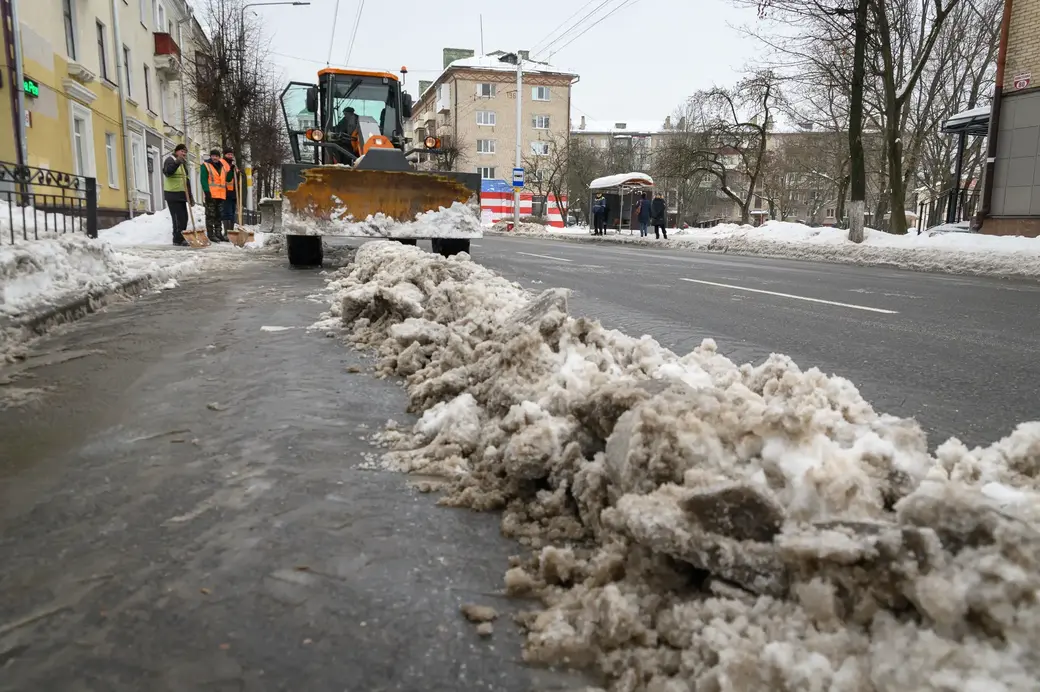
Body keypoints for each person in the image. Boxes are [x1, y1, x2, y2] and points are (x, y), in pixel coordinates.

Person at [162, 143, 192, 246]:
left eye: (185, 152)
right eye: (182, 151)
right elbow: (167, 172)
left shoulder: (183, 163)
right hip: (172, 194)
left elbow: (186, 179)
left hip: (182, 194)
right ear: (176, 151)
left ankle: (182, 237)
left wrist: (190, 197)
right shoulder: (170, 160)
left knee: (184, 217)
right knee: (177, 218)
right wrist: (177, 163)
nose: (183, 154)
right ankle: (177, 239)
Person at [200, 149, 227, 243]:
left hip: (220, 195)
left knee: (219, 215)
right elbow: (203, 179)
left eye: (216, 156)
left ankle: (218, 233)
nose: (215, 158)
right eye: (213, 156)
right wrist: (207, 192)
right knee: (210, 215)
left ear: (219, 157)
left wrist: (232, 170)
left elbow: (226, 179)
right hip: (211, 195)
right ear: (210, 156)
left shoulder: (222, 167)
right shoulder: (205, 166)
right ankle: (211, 234)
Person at [220, 147, 237, 240]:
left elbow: (236, 176)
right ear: (225, 155)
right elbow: (226, 177)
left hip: (233, 192)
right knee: (227, 213)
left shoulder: (233, 164)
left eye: (231, 154)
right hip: (226, 191)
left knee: (232, 213)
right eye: (228, 154)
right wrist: (231, 170)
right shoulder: (222, 163)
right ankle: (227, 232)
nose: (230, 156)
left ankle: (231, 232)